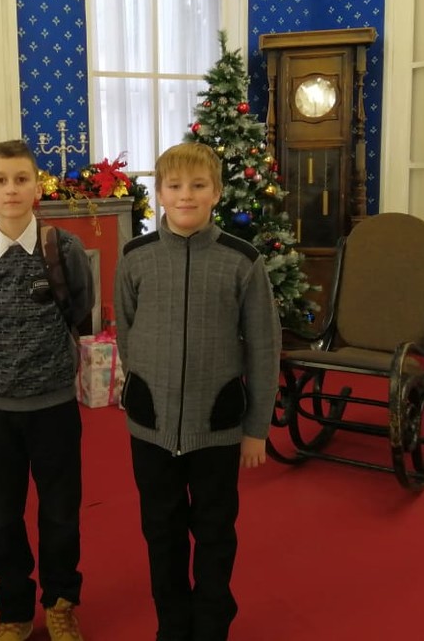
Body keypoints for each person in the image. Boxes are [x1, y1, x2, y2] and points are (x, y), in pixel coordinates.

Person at [114, 141, 282, 641]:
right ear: (160, 194)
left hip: (217, 425)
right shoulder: (135, 257)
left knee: (214, 531)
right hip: (152, 426)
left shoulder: (242, 261)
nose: (186, 195)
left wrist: (256, 429)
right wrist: (145, 387)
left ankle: (211, 626)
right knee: (161, 532)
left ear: (217, 192)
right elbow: (126, 332)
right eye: (175, 186)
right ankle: (172, 626)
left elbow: (264, 347)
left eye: (198, 185)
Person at [0, 139, 94, 641]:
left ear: (37, 188)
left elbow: (81, 306)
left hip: (55, 406)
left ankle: (60, 603)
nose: (11, 189)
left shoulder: (64, 248)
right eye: (1, 180)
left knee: (60, 512)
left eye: (21, 179)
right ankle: (13, 611)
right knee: (0, 517)